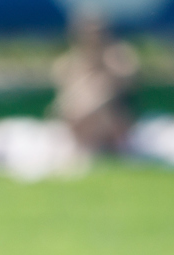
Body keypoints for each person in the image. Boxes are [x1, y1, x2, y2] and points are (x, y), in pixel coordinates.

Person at [50, 10, 140, 155]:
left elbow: (121, 87)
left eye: (98, 32)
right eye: (88, 32)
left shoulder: (118, 58)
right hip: (78, 117)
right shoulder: (68, 63)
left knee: (99, 107)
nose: (93, 37)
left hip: (115, 117)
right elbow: (64, 99)